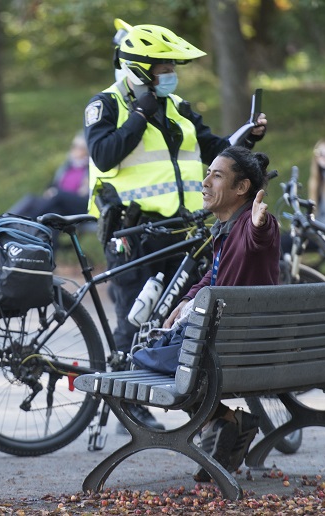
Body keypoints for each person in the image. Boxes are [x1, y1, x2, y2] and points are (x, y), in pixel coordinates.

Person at [83, 21, 267, 430]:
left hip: (180, 230)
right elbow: (103, 155)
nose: (170, 73)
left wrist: (248, 140)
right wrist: (137, 118)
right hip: (131, 230)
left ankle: (189, 400)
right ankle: (127, 405)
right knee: (134, 314)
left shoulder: (178, 107)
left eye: (171, 66)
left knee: (179, 316)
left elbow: (215, 149)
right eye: (162, 67)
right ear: (139, 70)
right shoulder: (107, 104)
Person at [133, 146, 280, 482]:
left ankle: (224, 422)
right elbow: (212, 277)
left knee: (146, 358)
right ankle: (224, 426)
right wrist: (187, 299)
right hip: (233, 347)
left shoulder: (252, 224)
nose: (205, 182)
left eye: (217, 175)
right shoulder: (226, 229)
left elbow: (260, 237)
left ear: (241, 188)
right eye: (208, 173)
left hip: (231, 351)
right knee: (165, 355)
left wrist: (259, 225)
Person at [8, 132, 89, 220]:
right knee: (32, 199)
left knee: (57, 196)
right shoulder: (67, 166)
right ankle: (4, 221)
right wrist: (50, 191)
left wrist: (56, 193)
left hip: (76, 204)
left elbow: (85, 194)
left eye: (80, 148)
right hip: (58, 203)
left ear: (87, 150)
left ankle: (28, 221)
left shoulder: (89, 169)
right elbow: (52, 184)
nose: (75, 150)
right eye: (74, 146)